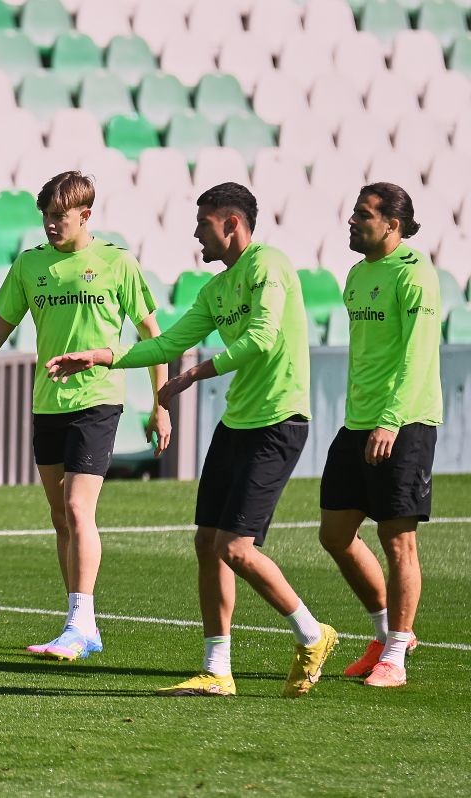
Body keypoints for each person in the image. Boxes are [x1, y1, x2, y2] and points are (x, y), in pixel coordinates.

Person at [46, 183, 337, 698]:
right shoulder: (216, 290)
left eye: (202, 224)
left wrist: (195, 375)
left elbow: (262, 338)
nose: (196, 234)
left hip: (279, 421)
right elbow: (167, 342)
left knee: (238, 549)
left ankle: (313, 633)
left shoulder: (270, 265)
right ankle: (217, 669)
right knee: (208, 543)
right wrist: (102, 357)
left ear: (231, 224)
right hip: (238, 422)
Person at [0, 171, 171, 663]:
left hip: (99, 398)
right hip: (47, 404)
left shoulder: (117, 263)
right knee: (59, 518)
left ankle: (79, 623)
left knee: (75, 507)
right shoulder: (30, 266)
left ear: (85, 215)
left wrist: (161, 403)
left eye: (59, 217)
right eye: (45, 217)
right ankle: (83, 625)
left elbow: (154, 335)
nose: (49, 225)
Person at [317, 183, 441, 688]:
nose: (352, 222)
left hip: (405, 422)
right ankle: (384, 632)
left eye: (362, 215)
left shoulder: (416, 276)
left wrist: (390, 419)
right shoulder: (356, 274)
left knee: (397, 538)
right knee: (335, 534)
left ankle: (397, 654)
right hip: (358, 422)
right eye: (351, 213)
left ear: (392, 224)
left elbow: (416, 356)